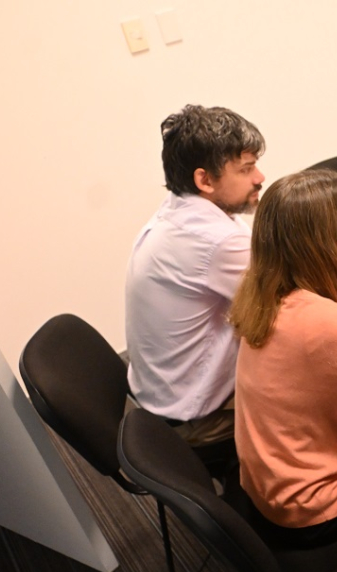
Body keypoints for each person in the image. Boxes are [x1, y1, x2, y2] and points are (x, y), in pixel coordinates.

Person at [230, 169, 337, 549]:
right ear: (324, 243)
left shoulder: (262, 294)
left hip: (268, 487)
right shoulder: (325, 324)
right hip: (313, 508)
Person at [125, 104, 265, 447]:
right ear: (204, 179)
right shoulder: (214, 239)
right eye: (246, 169)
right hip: (196, 416)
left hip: (160, 390)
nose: (260, 177)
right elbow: (286, 304)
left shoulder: (183, 208)